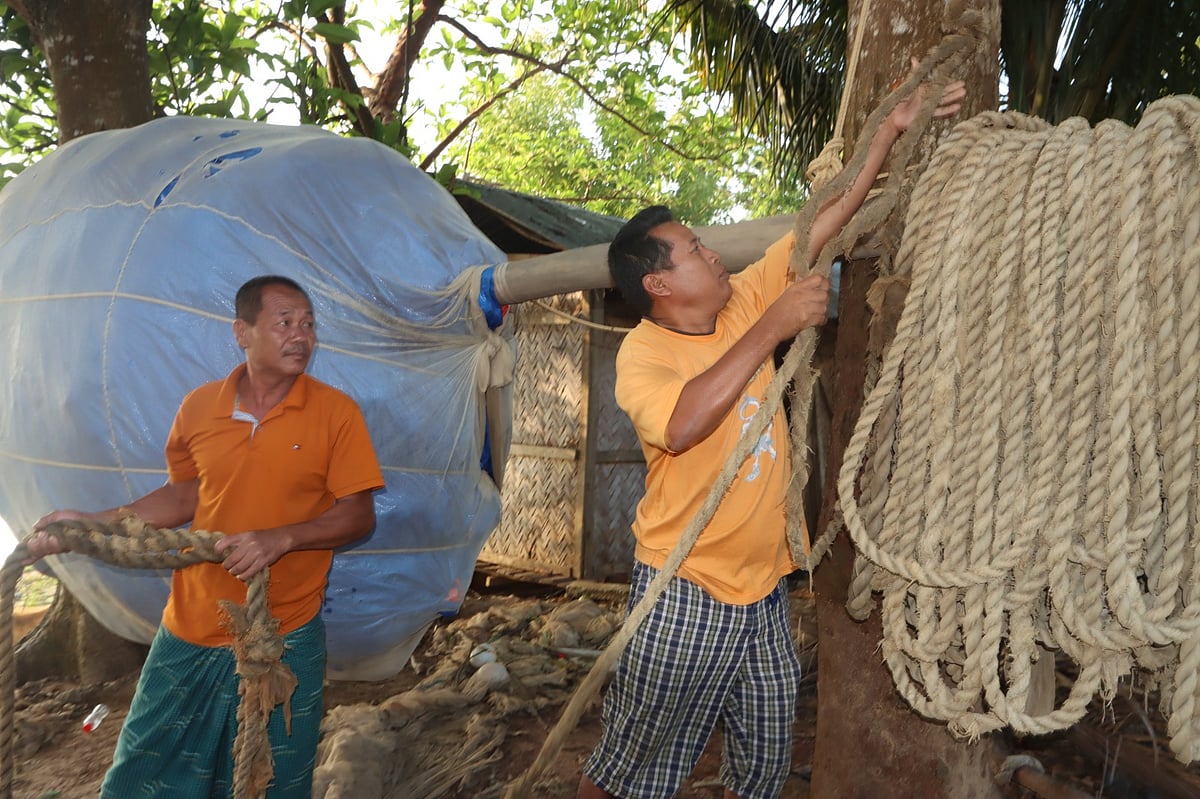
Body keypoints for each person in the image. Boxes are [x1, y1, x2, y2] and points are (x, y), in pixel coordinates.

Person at [578, 72, 967, 799]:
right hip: (685, 589)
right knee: (630, 770)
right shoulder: (645, 353)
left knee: (762, 762)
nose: (711, 253)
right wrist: (773, 327)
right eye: (693, 249)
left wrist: (890, 129)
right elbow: (684, 424)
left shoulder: (741, 302)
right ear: (659, 285)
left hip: (763, 591)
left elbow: (825, 222)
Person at [25, 275, 385, 799]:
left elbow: (358, 515)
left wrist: (282, 538)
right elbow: (182, 497)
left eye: (308, 324)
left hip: (283, 632)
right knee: (144, 770)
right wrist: (89, 523)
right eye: (284, 322)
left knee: (274, 778)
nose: (301, 335)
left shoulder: (337, 414)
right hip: (193, 619)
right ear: (242, 332)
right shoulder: (199, 408)